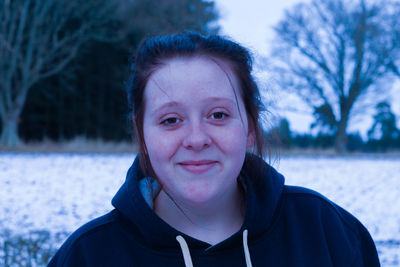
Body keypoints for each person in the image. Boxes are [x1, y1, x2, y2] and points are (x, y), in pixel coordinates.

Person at [48, 32, 380, 266]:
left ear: (249, 127)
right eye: (171, 120)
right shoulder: (89, 255)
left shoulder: (325, 232)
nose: (196, 138)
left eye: (218, 115)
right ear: (142, 133)